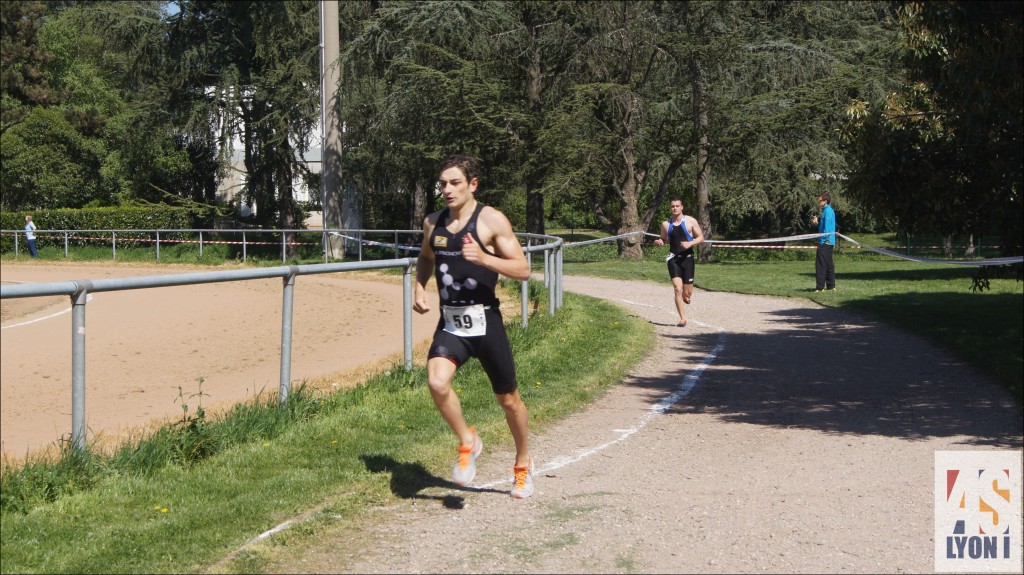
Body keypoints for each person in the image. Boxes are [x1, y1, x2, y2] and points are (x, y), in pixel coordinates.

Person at [413, 154, 536, 499]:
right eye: (442, 184)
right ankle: (468, 441)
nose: (447, 190)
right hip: (451, 322)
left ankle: (523, 463)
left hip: (486, 322)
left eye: (455, 183)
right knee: (437, 382)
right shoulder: (433, 223)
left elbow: (523, 270)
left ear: (473, 184)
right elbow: (426, 257)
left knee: (509, 401)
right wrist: (419, 287)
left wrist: (484, 258)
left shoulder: (491, 220)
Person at [653, 198, 704, 327]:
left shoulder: (690, 221)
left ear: (682, 207)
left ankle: (687, 296)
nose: (675, 208)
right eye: (672, 206)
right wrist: (660, 242)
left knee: (687, 293)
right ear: (670, 208)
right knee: (677, 289)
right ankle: (682, 319)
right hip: (673, 259)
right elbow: (663, 238)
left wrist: (690, 243)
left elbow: (701, 238)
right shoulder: (665, 224)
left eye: (677, 206)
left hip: (688, 259)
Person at [810, 193, 836, 291]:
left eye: (820, 201)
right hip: (828, 241)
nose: (818, 202)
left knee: (820, 264)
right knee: (829, 264)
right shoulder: (826, 211)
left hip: (826, 242)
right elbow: (823, 227)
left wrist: (823, 241)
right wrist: (817, 223)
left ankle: (820, 287)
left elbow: (827, 229)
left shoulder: (828, 211)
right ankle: (831, 286)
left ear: (825, 201)